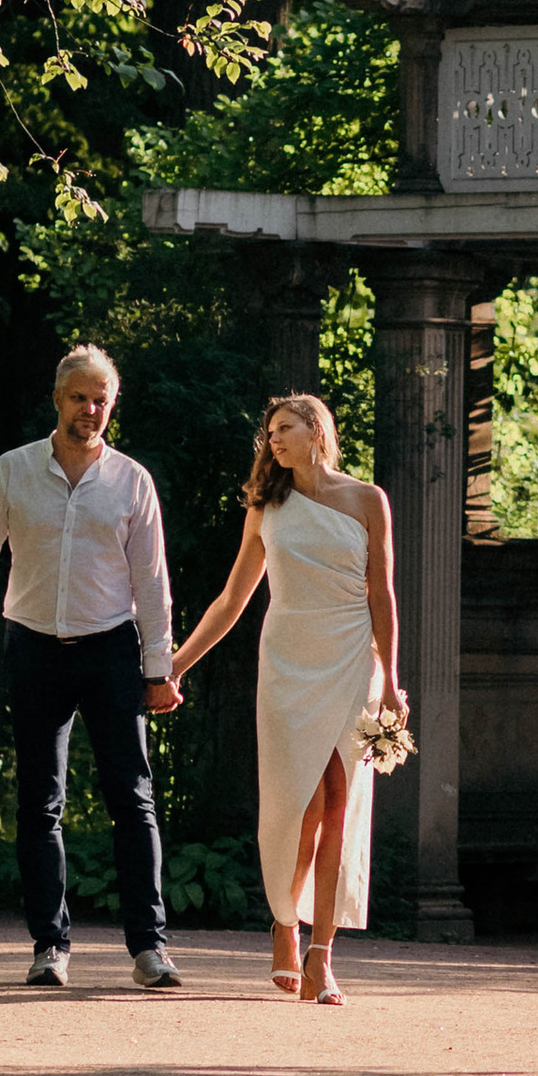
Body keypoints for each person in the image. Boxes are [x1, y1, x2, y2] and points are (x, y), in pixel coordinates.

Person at [0, 345, 185, 992]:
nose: (91, 409)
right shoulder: (12, 473)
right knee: (39, 802)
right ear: (57, 398)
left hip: (109, 649)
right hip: (34, 646)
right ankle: (50, 946)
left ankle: (149, 948)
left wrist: (159, 668)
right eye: (80, 397)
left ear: (112, 404)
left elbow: (152, 583)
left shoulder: (132, 483)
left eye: (101, 398)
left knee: (133, 799)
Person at [171, 393, 402, 1006]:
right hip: (287, 664)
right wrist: (173, 665)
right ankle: (283, 925)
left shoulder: (366, 500)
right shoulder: (267, 506)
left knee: (337, 804)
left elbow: (383, 595)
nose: (273, 439)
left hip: (353, 661)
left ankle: (321, 956)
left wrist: (393, 681)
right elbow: (231, 601)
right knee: (294, 804)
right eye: (269, 431)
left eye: (284, 428)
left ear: (316, 433)